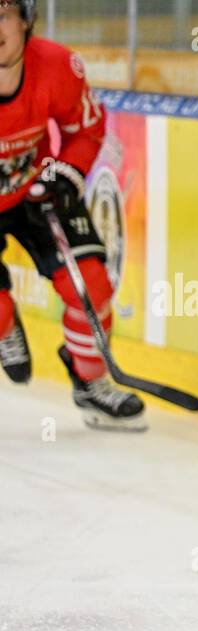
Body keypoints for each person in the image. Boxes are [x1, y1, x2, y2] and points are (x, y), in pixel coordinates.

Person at [0, 0, 144, 430]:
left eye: (2, 15)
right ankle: (5, 326)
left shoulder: (58, 67)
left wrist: (67, 172)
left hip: (36, 193)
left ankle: (90, 382)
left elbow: (87, 128)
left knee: (92, 285)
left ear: (25, 21)